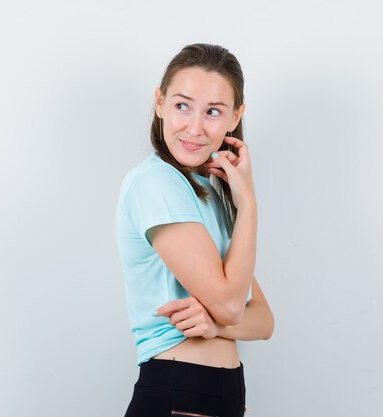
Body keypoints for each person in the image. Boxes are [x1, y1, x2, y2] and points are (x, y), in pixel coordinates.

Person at [115, 43, 274, 417]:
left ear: (236, 116)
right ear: (160, 103)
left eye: (213, 112)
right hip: (180, 388)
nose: (194, 127)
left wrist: (214, 324)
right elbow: (233, 306)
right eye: (182, 105)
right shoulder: (156, 184)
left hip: (219, 392)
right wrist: (248, 203)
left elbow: (264, 320)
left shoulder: (205, 192)